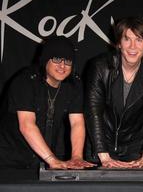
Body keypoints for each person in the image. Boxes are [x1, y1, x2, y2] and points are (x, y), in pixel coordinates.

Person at [84, 17, 143, 168]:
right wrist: (104, 156)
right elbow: (93, 111)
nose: (132, 46)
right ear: (118, 43)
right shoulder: (100, 66)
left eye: (139, 40)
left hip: (137, 148)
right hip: (101, 146)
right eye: (127, 39)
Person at [0, 36, 95, 169]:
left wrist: (77, 157)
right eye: (56, 59)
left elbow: (77, 122)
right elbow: (27, 125)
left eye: (67, 61)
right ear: (45, 60)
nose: (62, 65)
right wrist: (52, 160)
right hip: (9, 159)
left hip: (42, 158)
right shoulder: (25, 81)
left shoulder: (74, 84)